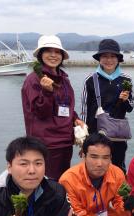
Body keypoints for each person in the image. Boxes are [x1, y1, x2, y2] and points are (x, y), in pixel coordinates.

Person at [21, 35, 85, 181]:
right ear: (40, 54)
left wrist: (76, 119)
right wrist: (46, 91)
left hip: (65, 141)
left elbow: (66, 107)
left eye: (57, 52)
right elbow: (40, 112)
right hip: (45, 144)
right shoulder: (33, 80)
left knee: (62, 182)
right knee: (46, 184)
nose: (53, 55)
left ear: (62, 56)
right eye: (48, 51)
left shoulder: (64, 79)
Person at [81, 39, 134, 172]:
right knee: (95, 170)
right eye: (105, 56)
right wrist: (84, 139)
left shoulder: (126, 79)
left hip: (118, 135)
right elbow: (84, 111)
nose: (109, 60)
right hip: (95, 134)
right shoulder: (90, 80)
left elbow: (131, 107)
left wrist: (126, 99)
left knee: (118, 169)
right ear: (99, 58)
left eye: (112, 56)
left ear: (118, 59)